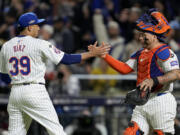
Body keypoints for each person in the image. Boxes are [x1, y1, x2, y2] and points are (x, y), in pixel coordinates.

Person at [0, 12, 110, 135]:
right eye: (36, 25)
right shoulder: (39, 43)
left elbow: (4, 76)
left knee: (15, 133)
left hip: (15, 93)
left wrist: (17, 83)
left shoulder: (6, 46)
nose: (39, 28)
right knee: (56, 132)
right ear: (29, 27)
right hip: (34, 91)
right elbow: (66, 59)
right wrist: (91, 54)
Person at [89, 9, 180, 135]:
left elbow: (176, 74)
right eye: (140, 35)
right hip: (143, 100)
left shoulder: (165, 52)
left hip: (161, 100)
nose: (140, 38)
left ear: (154, 35)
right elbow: (125, 69)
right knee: (131, 132)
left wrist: (154, 80)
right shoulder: (140, 53)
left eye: (144, 35)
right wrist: (105, 56)